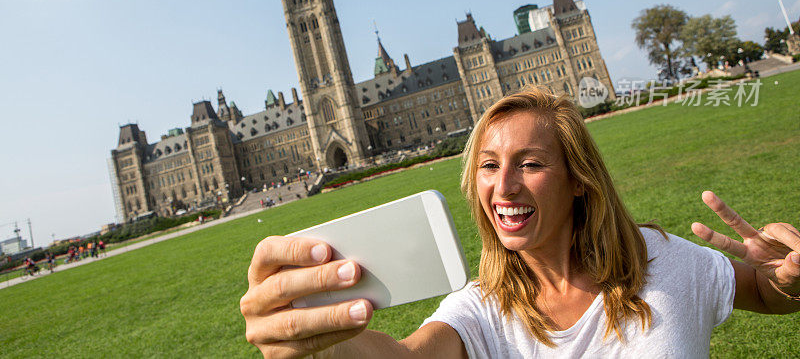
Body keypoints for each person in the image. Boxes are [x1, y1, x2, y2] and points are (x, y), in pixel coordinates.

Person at [240, 88, 800, 358]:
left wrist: (787, 276)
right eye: (488, 165)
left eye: (529, 163)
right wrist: (319, 344)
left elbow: (768, 293)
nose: (503, 185)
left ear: (579, 177)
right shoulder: (483, 311)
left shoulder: (662, 259)